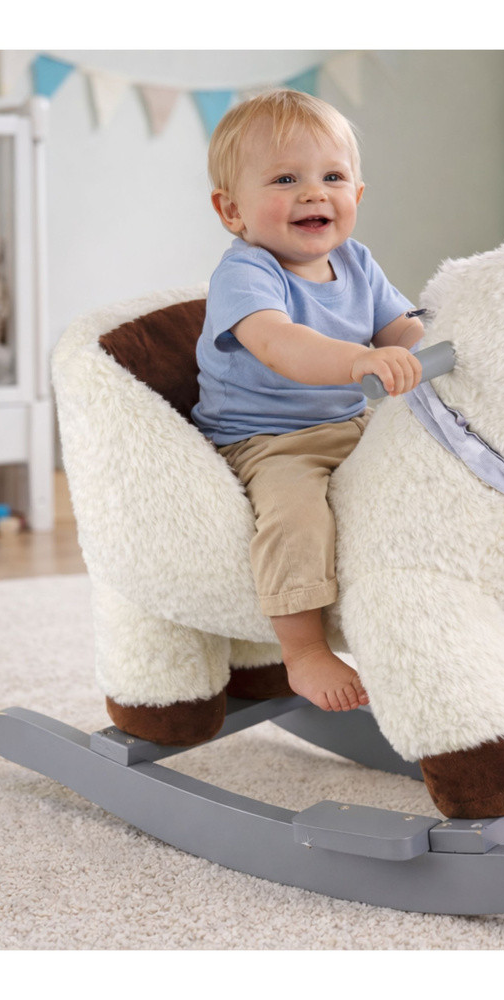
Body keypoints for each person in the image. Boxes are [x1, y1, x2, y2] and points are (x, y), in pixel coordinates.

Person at [192, 89, 424, 712]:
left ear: (357, 195)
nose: (313, 194)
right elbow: (281, 346)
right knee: (296, 516)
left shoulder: (356, 261)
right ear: (232, 210)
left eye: (332, 178)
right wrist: (358, 360)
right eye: (285, 179)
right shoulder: (247, 274)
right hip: (266, 439)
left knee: (426, 472)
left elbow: (401, 327)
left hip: (348, 420)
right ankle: (302, 650)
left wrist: (433, 347)